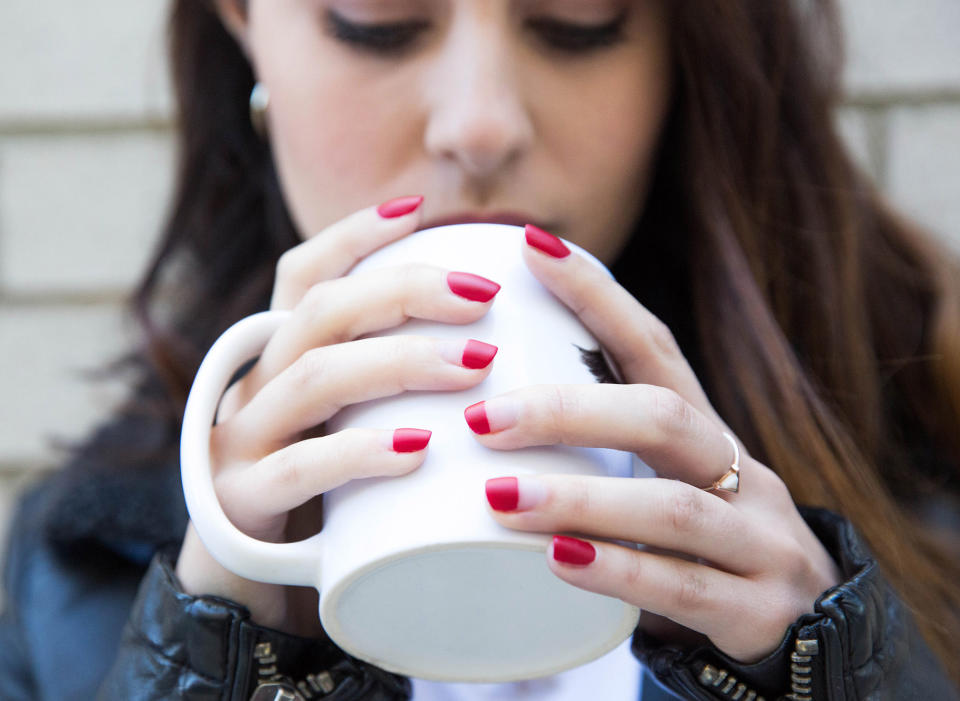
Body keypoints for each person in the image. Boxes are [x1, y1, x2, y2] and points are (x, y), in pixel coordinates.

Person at [1, 0, 958, 699]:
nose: (481, 125)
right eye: (378, 22)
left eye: (578, 23)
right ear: (246, 24)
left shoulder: (929, 472)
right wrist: (222, 660)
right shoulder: (77, 572)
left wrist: (829, 667)